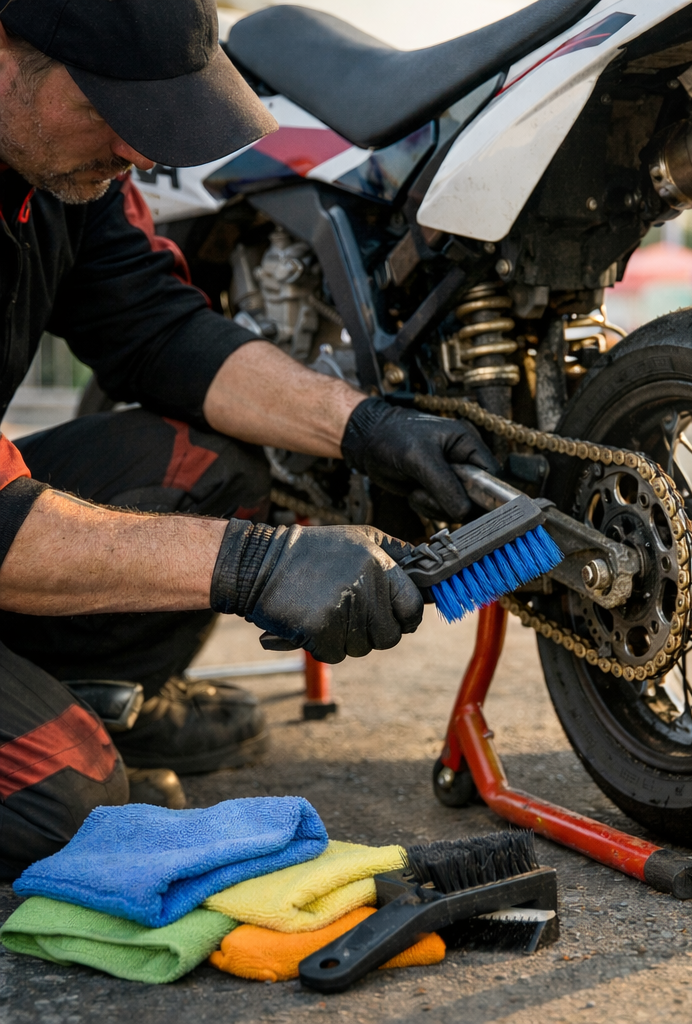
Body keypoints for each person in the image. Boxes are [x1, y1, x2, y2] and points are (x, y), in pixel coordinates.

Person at [0, 0, 498, 881]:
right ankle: (70, 726)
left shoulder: (60, 173)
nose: (140, 152)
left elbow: (160, 332)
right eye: (120, 112)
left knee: (213, 470)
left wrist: (363, 426)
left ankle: (79, 698)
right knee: (67, 802)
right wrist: (257, 566)